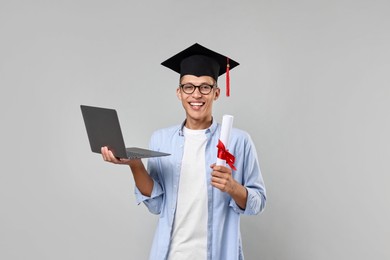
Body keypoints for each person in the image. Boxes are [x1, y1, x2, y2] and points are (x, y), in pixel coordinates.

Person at [101, 43, 266, 260]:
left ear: (216, 93)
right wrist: (135, 164)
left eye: (204, 87)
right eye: (188, 87)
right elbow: (157, 205)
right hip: (171, 254)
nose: (196, 94)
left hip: (218, 254)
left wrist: (233, 187)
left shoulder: (238, 141)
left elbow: (258, 202)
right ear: (179, 93)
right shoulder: (160, 139)